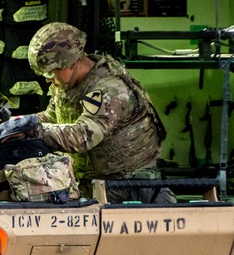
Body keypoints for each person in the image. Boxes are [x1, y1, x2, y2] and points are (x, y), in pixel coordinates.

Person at [26, 22, 173, 204]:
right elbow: (53, 117)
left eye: (50, 73)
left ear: (70, 64)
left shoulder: (109, 89)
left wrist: (34, 129)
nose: (48, 80)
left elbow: (83, 135)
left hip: (132, 193)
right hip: (97, 190)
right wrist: (22, 123)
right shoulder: (68, 86)